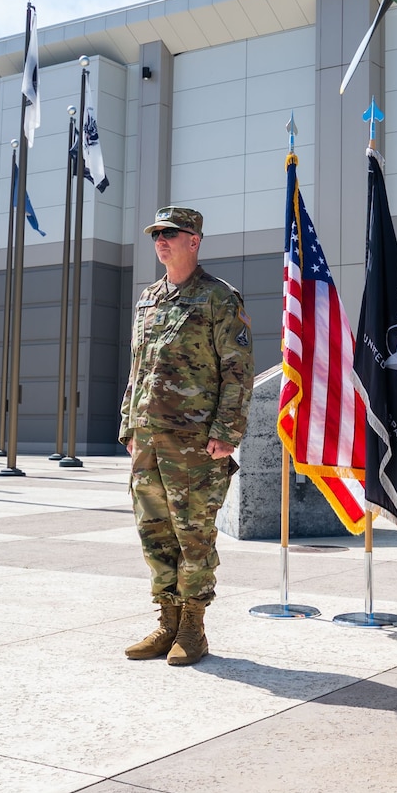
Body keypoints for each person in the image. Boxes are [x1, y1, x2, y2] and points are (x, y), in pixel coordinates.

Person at [119, 206, 254, 666]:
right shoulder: (148, 298)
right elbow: (138, 369)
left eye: (171, 233)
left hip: (195, 442)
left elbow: (237, 371)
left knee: (193, 534)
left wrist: (227, 432)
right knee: (154, 532)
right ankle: (167, 622)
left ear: (194, 240)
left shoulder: (219, 298)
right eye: (157, 233)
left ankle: (193, 628)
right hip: (148, 439)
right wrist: (128, 429)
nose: (162, 240)